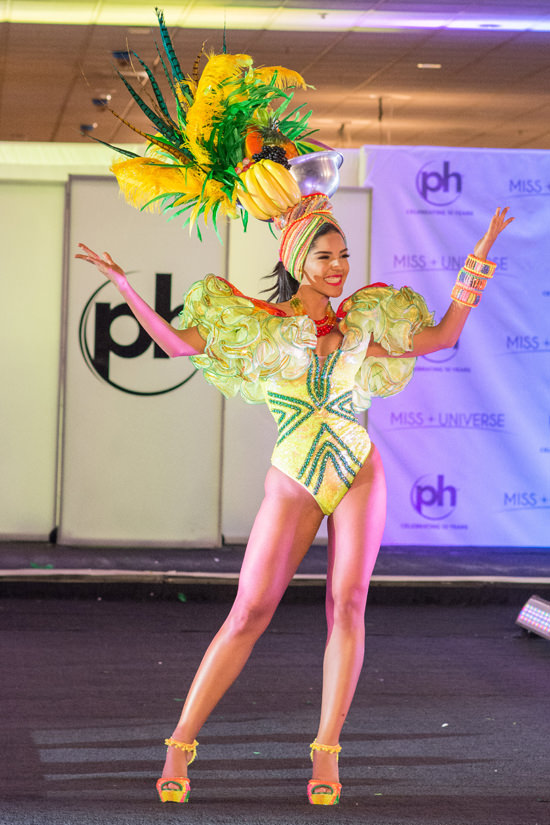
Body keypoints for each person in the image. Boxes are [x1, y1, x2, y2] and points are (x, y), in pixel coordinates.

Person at [76, 197, 513, 805]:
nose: (339, 267)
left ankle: (327, 751)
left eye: (344, 256)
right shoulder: (261, 327)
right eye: (325, 257)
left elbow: (441, 338)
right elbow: (177, 345)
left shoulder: (363, 324)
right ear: (296, 261)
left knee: (348, 605)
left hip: (360, 471)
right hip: (294, 478)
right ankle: (180, 743)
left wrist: (478, 258)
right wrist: (125, 286)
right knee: (249, 612)